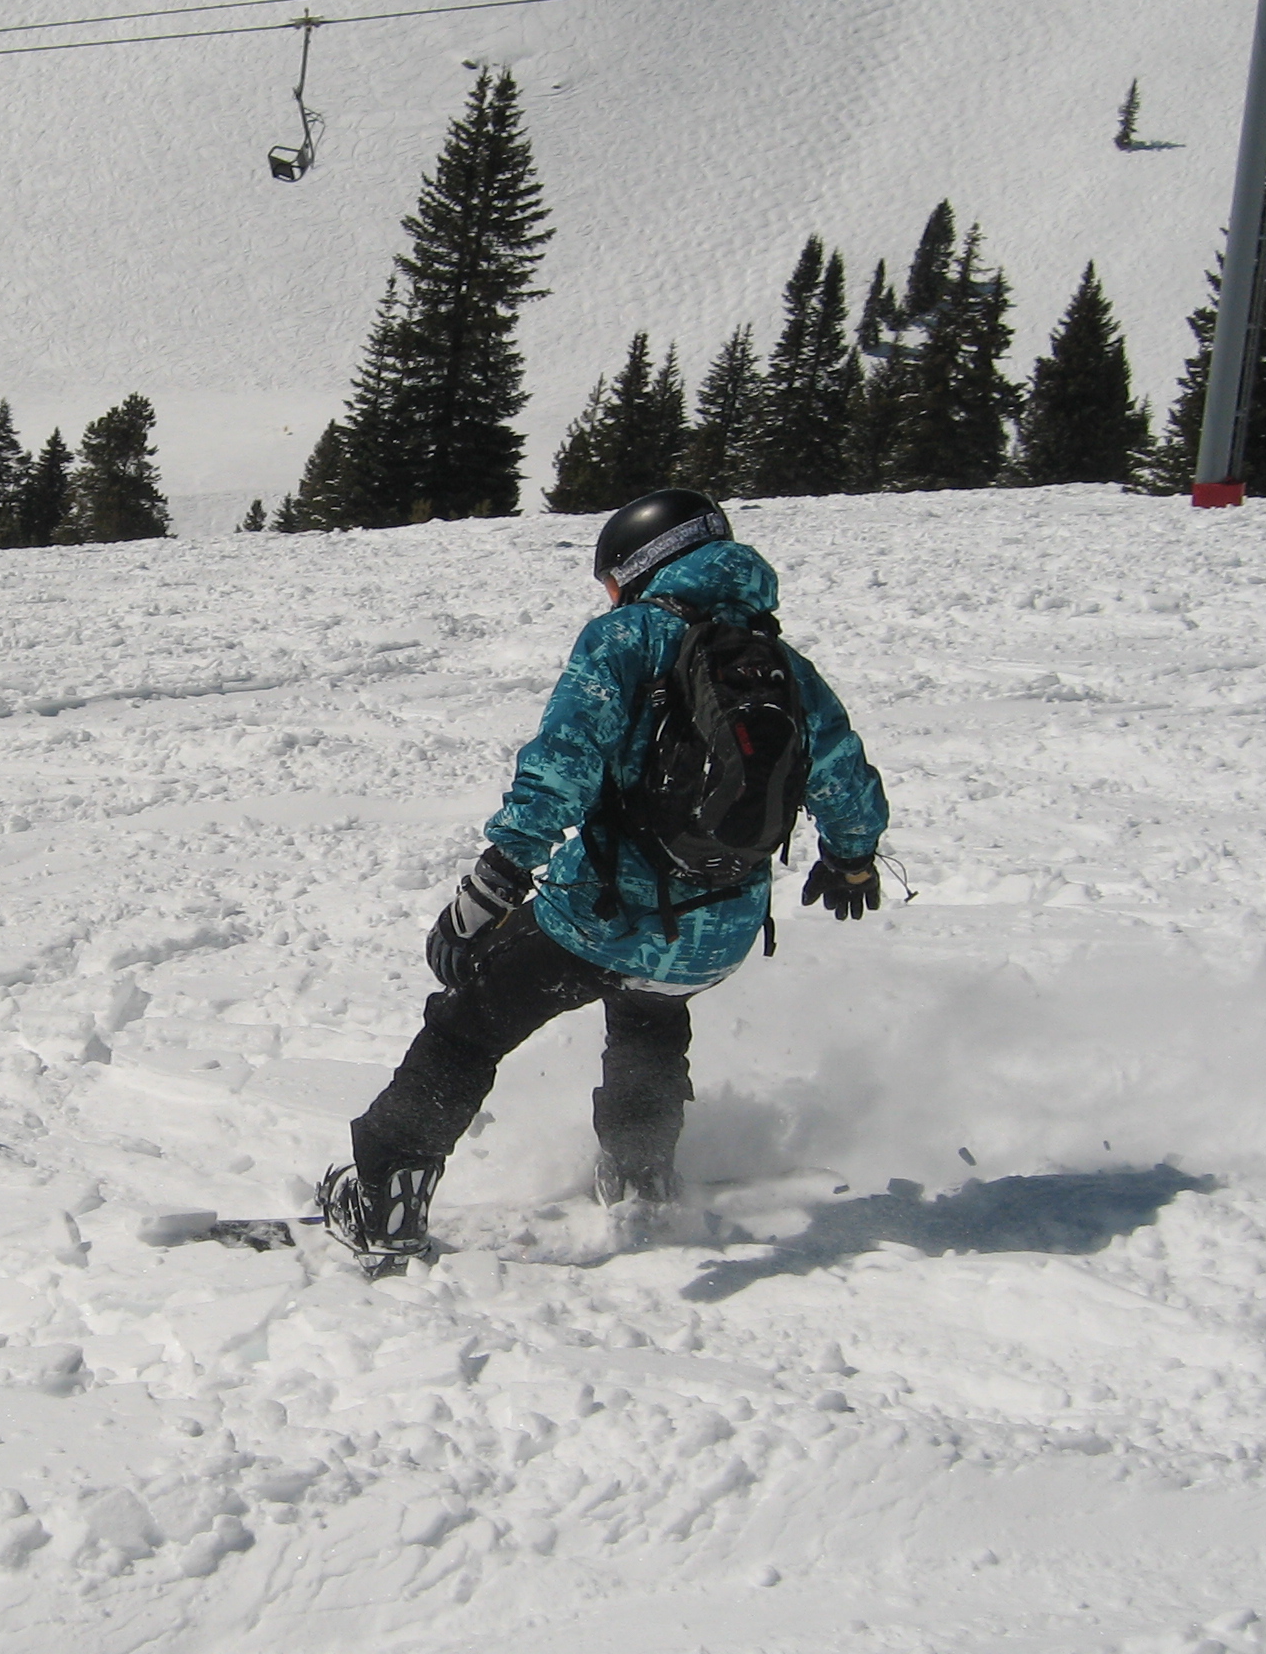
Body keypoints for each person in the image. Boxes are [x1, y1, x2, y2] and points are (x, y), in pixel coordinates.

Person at [318, 491, 889, 1261]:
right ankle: (641, 1179)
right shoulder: (783, 663)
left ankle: (383, 1200)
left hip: (603, 917)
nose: (612, 598)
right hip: (718, 934)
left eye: (613, 582)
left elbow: (564, 763)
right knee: (649, 1013)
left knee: (469, 1023)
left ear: (644, 563)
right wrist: (852, 860)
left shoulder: (628, 637)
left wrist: (493, 883)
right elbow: (844, 777)